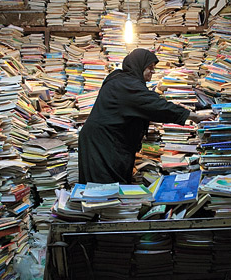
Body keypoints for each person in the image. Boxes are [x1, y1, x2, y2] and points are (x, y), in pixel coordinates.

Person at [78, 48, 212, 184]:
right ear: (139, 65)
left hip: (107, 140)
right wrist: (193, 116)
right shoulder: (126, 85)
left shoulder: (122, 80)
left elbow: (142, 105)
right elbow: (154, 105)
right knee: (104, 188)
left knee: (110, 186)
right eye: (149, 67)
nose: (153, 72)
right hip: (102, 144)